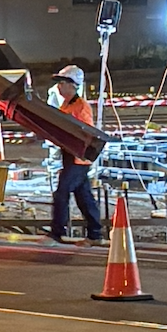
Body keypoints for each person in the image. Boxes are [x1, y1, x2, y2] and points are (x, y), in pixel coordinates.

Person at [48, 67, 103, 244]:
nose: (59, 87)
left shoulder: (81, 106)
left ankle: (57, 232)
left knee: (62, 193)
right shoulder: (67, 105)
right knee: (84, 197)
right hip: (71, 156)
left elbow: (87, 132)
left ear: (72, 85)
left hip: (78, 158)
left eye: (62, 83)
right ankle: (95, 234)